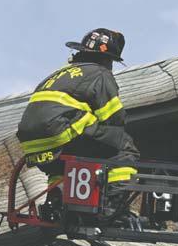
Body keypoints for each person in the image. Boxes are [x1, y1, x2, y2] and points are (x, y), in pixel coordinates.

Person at [16, 28, 139, 217]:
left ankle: (56, 202)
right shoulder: (99, 73)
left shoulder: (57, 75)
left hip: (33, 147)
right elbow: (114, 119)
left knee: (62, 166)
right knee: (124, 148)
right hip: (62, 135)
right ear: (105, 59)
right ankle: (114, 206)